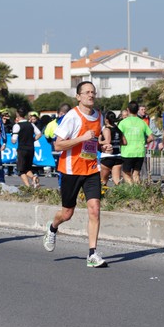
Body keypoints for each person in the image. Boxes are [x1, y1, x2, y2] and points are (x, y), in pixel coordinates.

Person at [43, 81, 109, 268]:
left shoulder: (99, 116)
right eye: (87, 92)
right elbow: (58, 144)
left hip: (91, 169)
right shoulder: (72, 116)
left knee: (95, 209)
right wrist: (82, 138)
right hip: (71, 170)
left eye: (93, 92)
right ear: (78, 96)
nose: (91, 95)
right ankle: (52, 227)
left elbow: (93, 142)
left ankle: (92, 254)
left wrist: (101, 145)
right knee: (67, 213)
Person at [117, 101, 154, 184]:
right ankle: (137, 190)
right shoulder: (142, 122)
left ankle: (132, 190)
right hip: (140, 152)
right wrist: (144, 142)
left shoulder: (123, 123)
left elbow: (118, 136)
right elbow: (151, 137)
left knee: (126, 174)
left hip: (127, 152)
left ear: (128, 110)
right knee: (136, 174)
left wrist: (121, 143)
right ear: (137, 110)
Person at [11, 106, 42, 188]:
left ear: (17, 114)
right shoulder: (31, 124)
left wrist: (13, 137)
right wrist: (33, 140)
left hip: (22, 149)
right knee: (27, 168)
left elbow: (13, 140)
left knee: (21, 170)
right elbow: (39, 134)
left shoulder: (17, 126)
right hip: (31, 149)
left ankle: (28, 186)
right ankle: (34, 177)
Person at [99, 111, 127, 185]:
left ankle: (102, 195)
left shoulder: (106, 129)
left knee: (103, 181)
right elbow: (124, 142)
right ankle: (121, 195)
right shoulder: (118, 129)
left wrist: (99, 141)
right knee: (117, 181)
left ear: (106, 120)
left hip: (107, 157)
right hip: (117, 157)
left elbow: (107, 141)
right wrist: (116, 142)